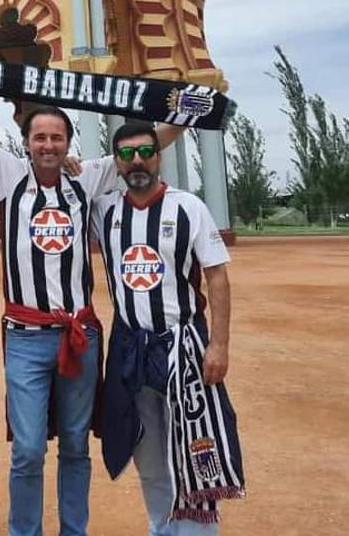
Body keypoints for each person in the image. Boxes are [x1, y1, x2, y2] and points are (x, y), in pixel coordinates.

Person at [0, 102, 181, 536]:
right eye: (40, 137)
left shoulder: (84, 179)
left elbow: (147, 146)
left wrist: (186, 115)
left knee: (77, 445)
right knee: (27, 449)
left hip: (80, 337)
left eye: (57, 138)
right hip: (25, 338)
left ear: (67, 144)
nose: (48, 145)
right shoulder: (8, 174)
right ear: (25, 144)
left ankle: (73, 531)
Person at [91, 120, 244, 534]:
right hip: (130, 348)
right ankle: (162, 527)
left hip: (183, 345)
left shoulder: (188, 207)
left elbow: (216, 277)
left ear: (159, 156)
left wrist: (219, 345)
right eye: (125, 154)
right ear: (115, 164)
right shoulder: (103, 211)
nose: (136, 160)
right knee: (150, 454)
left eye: (144, 151)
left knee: (196, 447)